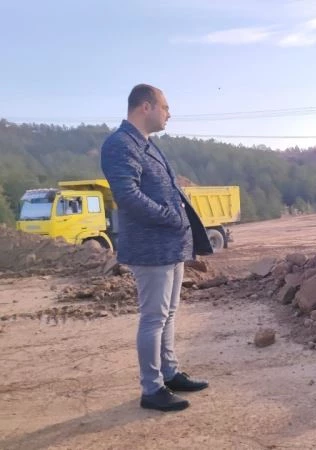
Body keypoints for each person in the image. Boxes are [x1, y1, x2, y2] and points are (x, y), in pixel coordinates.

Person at [100, 84, 214, 412]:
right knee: (153, 317)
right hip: (151, 246)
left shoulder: (146, 144)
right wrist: (170, 217)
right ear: (146, 107)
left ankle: (169, 373)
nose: (169, 114)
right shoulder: (120, 144)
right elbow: (128, 195)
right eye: (165, 107)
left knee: (168, 313)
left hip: (169, 244)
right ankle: (152, 389)